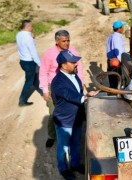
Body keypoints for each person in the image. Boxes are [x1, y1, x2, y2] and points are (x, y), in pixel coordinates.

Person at [51, 50, 98, 179]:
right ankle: (63, 169)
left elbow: (78, 89)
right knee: (64, 147)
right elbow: (70, 95)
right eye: (72, 62)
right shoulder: (58, 82)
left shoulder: (74, 74)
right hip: (64, 120)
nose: (76, 64)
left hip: (76, 117)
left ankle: (75, 164)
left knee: (76, 143)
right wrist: (85, 97)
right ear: (63, 65)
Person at [39, 30, 84, 148]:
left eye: (68, 40)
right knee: (54, 113)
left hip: (70, 87)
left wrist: (81, 86)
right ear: (57, 41)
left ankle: (72, 134)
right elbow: (43, 72)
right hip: (54, 89)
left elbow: (80, 70)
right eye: (64, 41)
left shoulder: (72, 51)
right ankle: (52, 136)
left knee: (73, 110)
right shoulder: (49, 54)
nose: (67, 43)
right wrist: (45, 90)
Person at [16, 20, 43, 106]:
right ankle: (22, 101)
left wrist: (32, 37)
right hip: (29, 62)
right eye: (31, 26)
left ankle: (43, 93)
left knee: (35, 79)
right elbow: (33, 52)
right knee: (29, 82)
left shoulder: (19, 34)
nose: (32, 28)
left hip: (23, 61)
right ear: (27, 27)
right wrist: (40, 64)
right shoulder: (28, 37)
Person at [106, 20, 126, 88]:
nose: (123, 28)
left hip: (110, 61)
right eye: (122, 27)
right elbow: (118, 52)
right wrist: (123, 62)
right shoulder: (116, 38)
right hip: (116, 63)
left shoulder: (110, 37)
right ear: (119, 29)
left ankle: (112, 93)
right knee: (117, 82)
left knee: (112, 81)